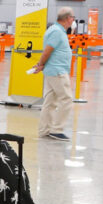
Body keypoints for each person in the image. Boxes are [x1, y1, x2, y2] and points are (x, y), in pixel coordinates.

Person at [33, 7, 74, 140]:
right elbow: (47, 51)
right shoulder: (57, 31)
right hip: (57, 71)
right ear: (68, 18)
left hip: (53, 70)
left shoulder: (55, 30)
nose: (73, 20)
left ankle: (45, 130)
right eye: (72, 18)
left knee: (50, 101)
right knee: (66, 99)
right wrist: (40, 64)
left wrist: (41, 64)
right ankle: (56, 129)